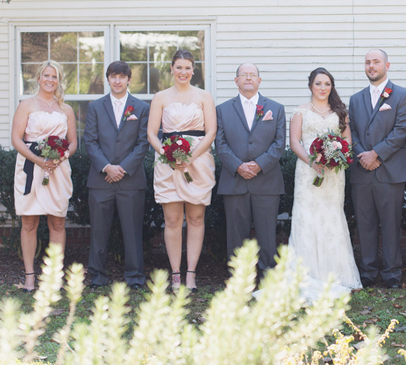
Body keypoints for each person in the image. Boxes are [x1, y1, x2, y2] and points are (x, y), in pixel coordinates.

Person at [287, 68, 362, 301]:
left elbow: (348, 138)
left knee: (331, 217)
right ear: (311, 85)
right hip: (307, 172)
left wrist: (336, 155)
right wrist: (312, 160)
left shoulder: (339, 112)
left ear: (332, 86)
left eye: (327, 84)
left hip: (333, 173)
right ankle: (306, 276)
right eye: (318, 83)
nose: (322, 88)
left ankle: (339, 275)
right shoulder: (300, 112)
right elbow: (294, 141)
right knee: (306, 218)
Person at [148, 49, 216, 291]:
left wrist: (191, 157)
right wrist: (168, 155)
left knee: (196, 218)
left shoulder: (204, 96)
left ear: (193, 70)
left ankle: (191, 273)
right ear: (171, 69)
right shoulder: (161, 97)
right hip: (169, 164)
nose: (183, 72)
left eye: (188, 68)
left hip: (198, 162)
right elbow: (151, 133)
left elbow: (211, 132)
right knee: (173, 219)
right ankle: (175, 273)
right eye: (179, 67)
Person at [348, 49, 406, 289]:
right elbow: (351, 131)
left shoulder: (403, 96)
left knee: (390, 224)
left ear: (387, 65)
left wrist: (376, 154)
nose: (371, 66)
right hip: (362, 170)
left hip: (390, 171)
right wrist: (362, 156)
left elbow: (402, 130)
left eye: (376, 62)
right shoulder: (356, 99)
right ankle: (368, 271)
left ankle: (392, 273)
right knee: (364, 224)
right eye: (367, 62)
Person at [83, 61, 150, 290]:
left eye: (122, 76)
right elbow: (90, 141)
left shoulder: (140, 108)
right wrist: (106, 167)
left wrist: (122, 168)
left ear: (129, 79)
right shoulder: (95, 107)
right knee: (99, 231)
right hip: (100, 179)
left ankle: (135, 278)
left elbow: (143, 143)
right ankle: (98, 277)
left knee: (132, 232)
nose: (118, 81)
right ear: (108, 79)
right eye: (113, 76)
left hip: (130, 180)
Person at [215, 63, 286, 276]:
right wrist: (238, 166)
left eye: (252, 75)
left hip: (266, 181)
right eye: (243, 75)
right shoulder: (222, 110)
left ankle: (267, 280)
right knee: (236, 236)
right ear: (236, 81)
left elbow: (279, 143)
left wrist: (258, 165)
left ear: (259, 80)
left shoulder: (276, 108)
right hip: (234, 181)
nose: (248, 78)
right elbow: (220, 143)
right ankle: (238, 280)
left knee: (267, 235)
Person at [11, 60, 76, 292]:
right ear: (38, 78)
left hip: (58, 169)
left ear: (59, 80)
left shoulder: (66, 109)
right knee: (29, 222)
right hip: (31, 166)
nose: (50, 80)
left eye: (55, 76)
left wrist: (62, 156)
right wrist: (38, 160)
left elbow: (73, 141)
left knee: (57, 221)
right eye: (46, 75)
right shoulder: (26, 105)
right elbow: (16, 139)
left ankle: (53, 276)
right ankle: (30, 276)